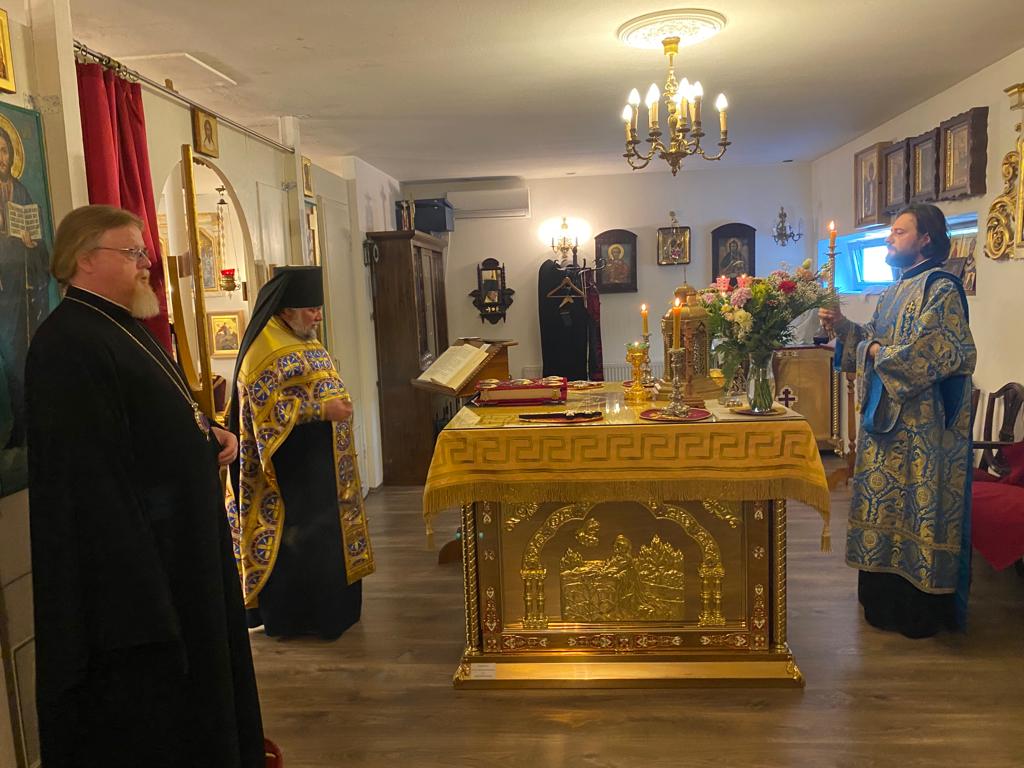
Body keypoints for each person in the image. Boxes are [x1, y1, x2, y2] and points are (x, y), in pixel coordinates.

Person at [25, 205, 265, 766]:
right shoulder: (67, 345)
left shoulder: (123, 326)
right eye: (132, 252)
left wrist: (208, 434)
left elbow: (156, 423)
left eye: (143, 252)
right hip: (143, 570)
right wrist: (145, 590)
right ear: (84, 259)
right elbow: (91, 480)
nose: (145, 264)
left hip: (183, 548)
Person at [819, 203, 975, 639]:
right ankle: (881, 598)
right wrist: (845, 328)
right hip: (884, 424)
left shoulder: (941, 289)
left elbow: (936, 353)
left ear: (925, 239)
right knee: (883, 508)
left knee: (916, 511)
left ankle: (917, 610)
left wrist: (872, 351)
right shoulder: (894, 290)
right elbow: (873, 337)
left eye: (900, 232)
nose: (889, 238)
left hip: (924, 429)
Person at [227, 265, 374, 639]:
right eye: (311, 310)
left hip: (324, 461)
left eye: (318, 309)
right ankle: (301, 620)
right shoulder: (263, 347)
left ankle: (337, 612)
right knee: (303, 541)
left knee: (328, 537)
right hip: (290, 466)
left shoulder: (304, 338)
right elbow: (262, 410)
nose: (318, 316)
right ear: (286, 309)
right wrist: (321, 410)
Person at [0, 124, 54, 493]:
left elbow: (42, 250)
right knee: (9, 360)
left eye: (4, 151)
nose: (1, 158)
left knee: (23, 358)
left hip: (24, 293)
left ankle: (25, 426)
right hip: (4, 294)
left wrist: (31, 245)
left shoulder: (21, 192)